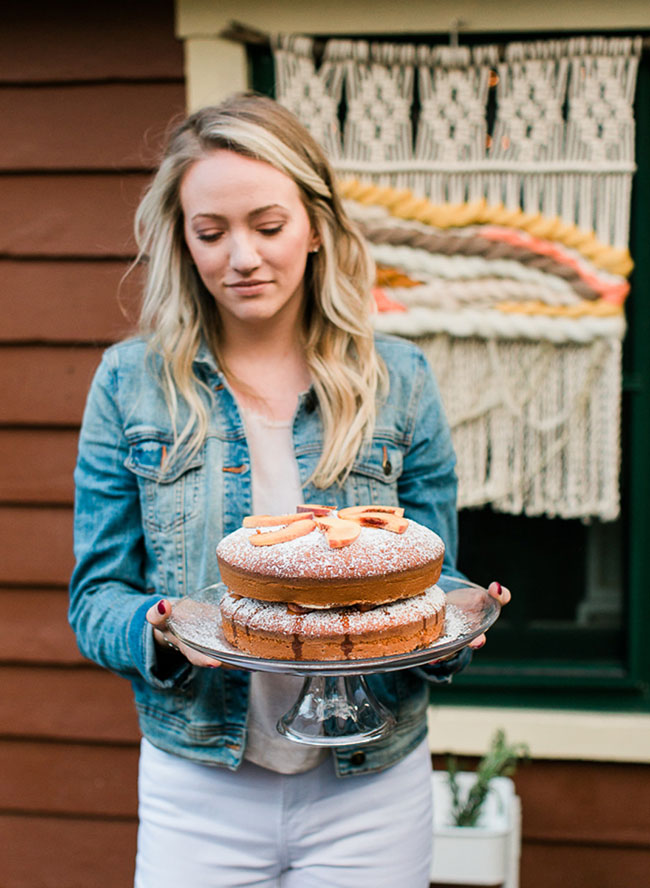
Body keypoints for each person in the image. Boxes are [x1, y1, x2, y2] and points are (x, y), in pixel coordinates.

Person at [69, 93, 510, 888]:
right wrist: (165, 628)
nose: (242, 257)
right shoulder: (130, 384)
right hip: (199, 781)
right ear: (183, 240)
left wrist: (455, 626)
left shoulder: (397, 379)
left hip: (370, 785)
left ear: (315, 226)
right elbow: (96, 597)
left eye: (267, 227)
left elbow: (431, 576)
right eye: (212, 232)